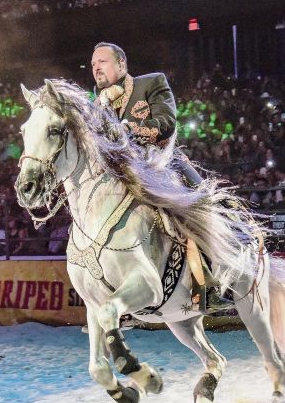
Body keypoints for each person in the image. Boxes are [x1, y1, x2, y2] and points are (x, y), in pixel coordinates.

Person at [91, 42, 229, 313]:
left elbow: (166, 123)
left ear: (121, 64)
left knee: (203, 205)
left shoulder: (151, 82)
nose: (96, 67)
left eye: (102, 61)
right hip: (122, 175)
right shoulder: (97, 101)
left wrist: (128, 128)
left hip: (161, 164)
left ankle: (213, 282)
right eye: (93, 63)